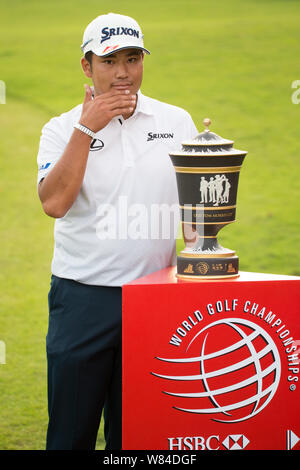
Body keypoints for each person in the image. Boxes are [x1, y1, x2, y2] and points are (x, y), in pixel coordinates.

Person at [37, 12, 198, 450]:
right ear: (87, 67)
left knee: (138, 438)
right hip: (82, 299)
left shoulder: (177, 121)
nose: (123, 73)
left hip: (155, 299)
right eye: (109, 61)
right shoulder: (59, 129)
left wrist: (201, 261)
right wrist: (87, 128)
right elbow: (54, 203)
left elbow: (194, 213)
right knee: (71, 434)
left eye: (132, 59)